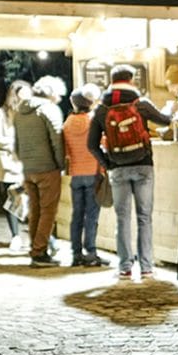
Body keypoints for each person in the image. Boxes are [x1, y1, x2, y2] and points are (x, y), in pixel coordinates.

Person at [87, 65, 172, 279]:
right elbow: (165, 120)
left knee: (122, 218)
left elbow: (91, 144)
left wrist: (108, 163)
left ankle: (125, 266)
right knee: (144, 217)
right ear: (131, 81)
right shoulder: (140, 103)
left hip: (118, 168)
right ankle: (146, 266)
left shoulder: (101, 109)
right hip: (143, 165)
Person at [14, 75, 67, 267]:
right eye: (58, 95)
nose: (59, 99)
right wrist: (61, 165)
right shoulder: (49, 109)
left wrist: (24, 161)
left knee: (34, 210)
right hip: (47, 168)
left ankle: (35, 248)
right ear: (51, 93)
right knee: (48, 211)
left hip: (28, 168)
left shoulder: (20, 111)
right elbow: (56, 139)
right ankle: (39, 252)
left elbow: (16, 143)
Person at [63, 84, 105, 268]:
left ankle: (76, 254)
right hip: (93, 171)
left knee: (77, 216)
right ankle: (91, 253)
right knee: (92, 216)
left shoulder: (68, 123)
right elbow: (102, 143)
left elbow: (65, 149)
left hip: (76, 173)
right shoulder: (92, 120)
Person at [0, 81, 30, 248]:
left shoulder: (31, 111)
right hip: (9, 163)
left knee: (29, 198)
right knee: (11, 198)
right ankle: (15, 235)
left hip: (28, 162)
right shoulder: (2, 113)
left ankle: (35, 235)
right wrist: (11, 143)